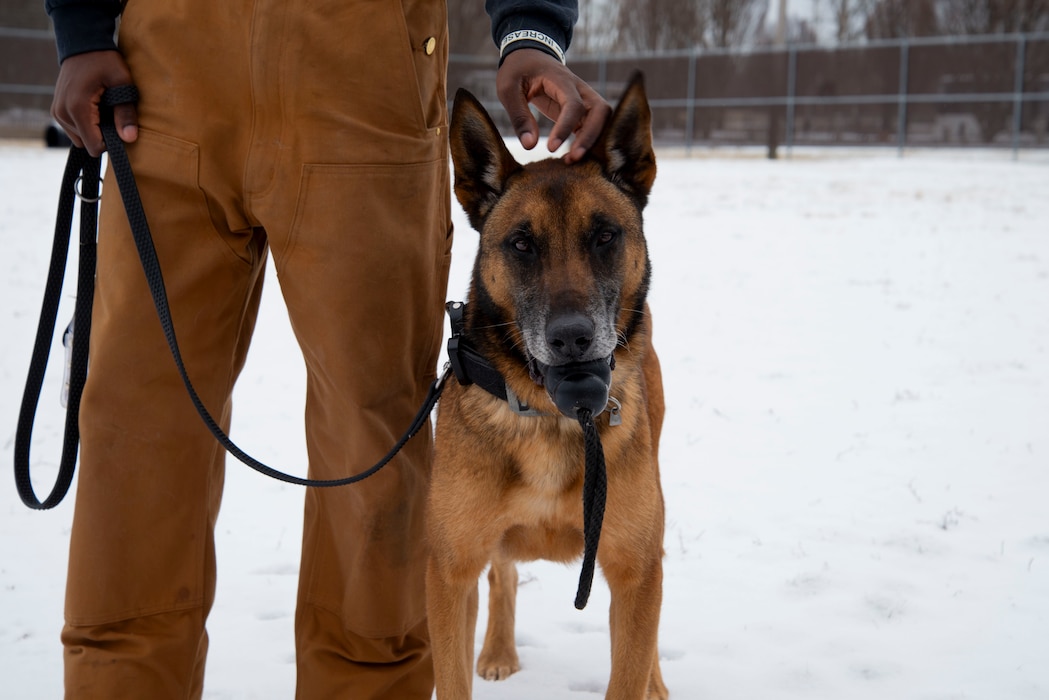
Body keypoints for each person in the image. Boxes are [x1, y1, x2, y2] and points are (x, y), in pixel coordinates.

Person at [44, 0, 611, 697]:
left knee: (371, 446)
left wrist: (528, 27)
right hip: (167, 79)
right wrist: (79, 30)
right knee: (133, 438)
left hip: (361, 79)